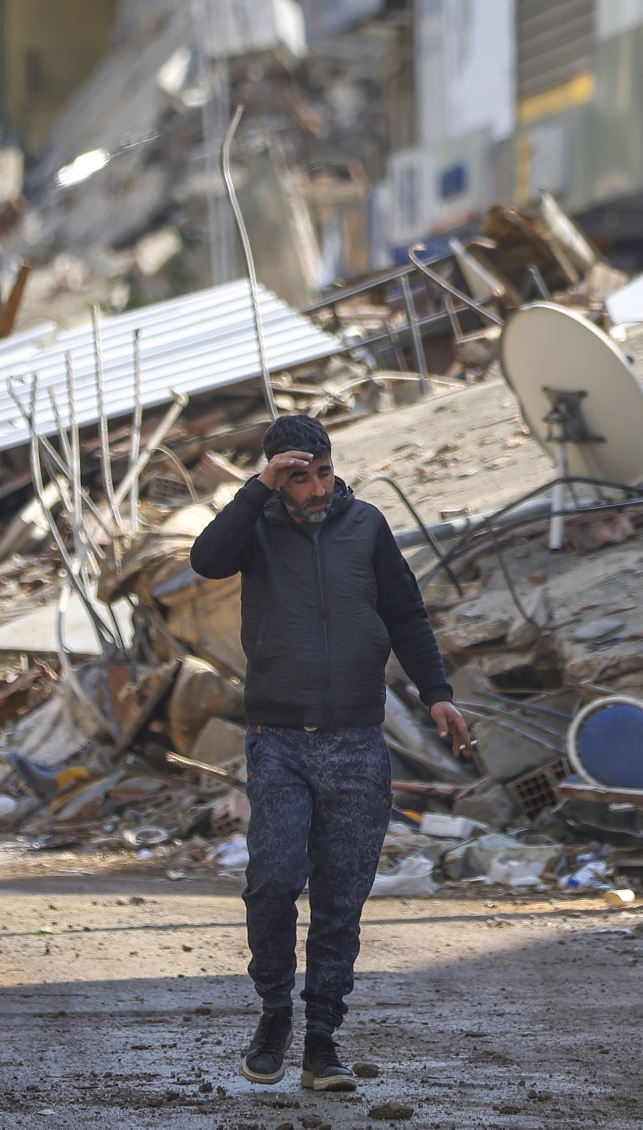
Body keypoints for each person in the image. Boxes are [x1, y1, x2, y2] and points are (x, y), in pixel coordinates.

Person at [190, 415, 470, 1091]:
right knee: (275, 879)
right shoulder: (254, 525)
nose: (315, 488)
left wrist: (437, 692)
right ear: (274, 475)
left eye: (321, 472)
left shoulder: (366, 524)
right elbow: (206, 560)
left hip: (356, 740)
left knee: (342, 898)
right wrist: (258, 490)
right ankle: (274, 1013)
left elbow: (405, 612)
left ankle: (322, 1041)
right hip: (278, 739)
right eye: (297, 476)